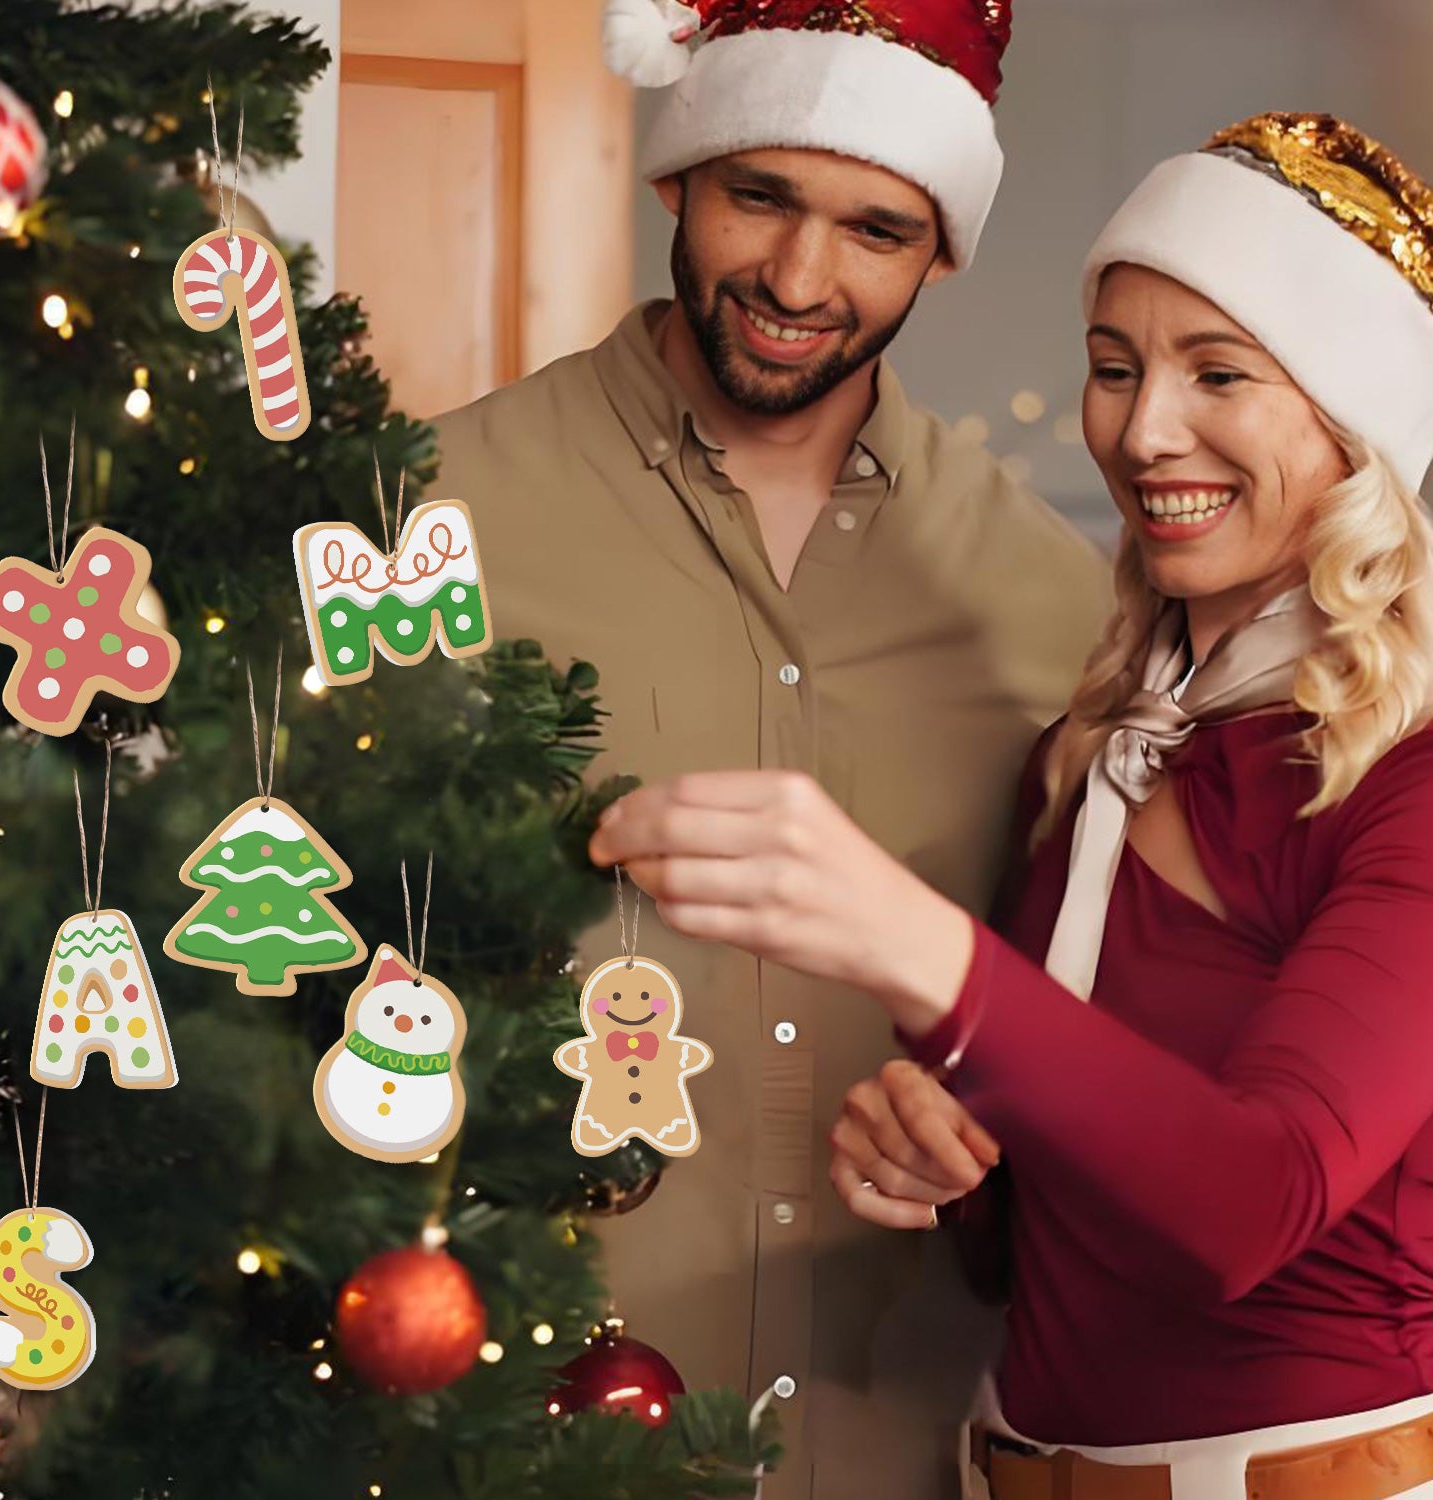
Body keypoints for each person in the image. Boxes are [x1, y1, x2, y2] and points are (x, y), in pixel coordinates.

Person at [589, 110, 1433, 1500]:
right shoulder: (1096, 755)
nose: (1142, 428)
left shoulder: (1404, 778)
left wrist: (912, 945)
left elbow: (1249, 1204)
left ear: (1354, 425)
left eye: (1218, 373)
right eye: (1114, 368)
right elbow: (1062, 1230)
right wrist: (951, 1164)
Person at [426, 1, 1110, 1493]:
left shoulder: (1057, 607)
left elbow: (1103, 1031)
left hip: (909, 1435)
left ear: (940, 249)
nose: (802, 279)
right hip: (513, 1425)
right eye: (760, 197)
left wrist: (989, 1137)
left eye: (875, 229)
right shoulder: (431, 520)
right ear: (676, 177)